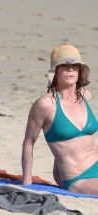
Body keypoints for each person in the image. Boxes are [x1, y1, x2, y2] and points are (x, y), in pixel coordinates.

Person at [22, 44, 98, 195]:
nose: (70, 69)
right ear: (55, 72)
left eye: (74, 65)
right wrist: (27, 184)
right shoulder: (45, 104)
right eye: (64, 65)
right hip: (78, 178)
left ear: (79, 71)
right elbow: (29, 142)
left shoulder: (85, 95)